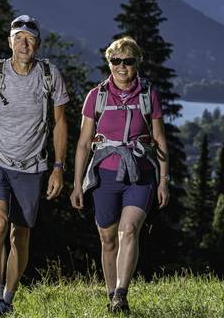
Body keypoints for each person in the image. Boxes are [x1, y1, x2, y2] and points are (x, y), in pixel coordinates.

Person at [0, 15, 70, 317]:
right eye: (18, 37)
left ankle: (8, 296)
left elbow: (60, 122)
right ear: (9, 41)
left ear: (38, 44)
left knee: (20, 234)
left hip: (32, 167)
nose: (24, 43)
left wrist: (59, 166)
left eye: (29, 38)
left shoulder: (50, 75)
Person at [70, 36, 170, 313]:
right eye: (116, 61)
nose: (122, 67)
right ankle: (111, 291)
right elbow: (83, 143)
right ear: (109, 63)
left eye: (128, 61)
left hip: (141, 174)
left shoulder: (149, 95)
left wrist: (164, 180)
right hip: (104, 176)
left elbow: (160, 139)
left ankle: (121, 295)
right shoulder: (96, 96)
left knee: (129, 230)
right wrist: (77, 184)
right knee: (108, 237)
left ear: (137, 63)